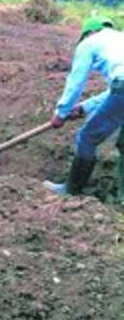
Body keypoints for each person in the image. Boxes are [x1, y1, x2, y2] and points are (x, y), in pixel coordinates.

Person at [44, 16, 124, 198]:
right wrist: (85, 108)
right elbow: (116, 90)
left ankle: (71, 190)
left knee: (87, 137)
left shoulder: (88, 43)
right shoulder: (119, 39)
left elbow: (76, 82)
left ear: (88, 33)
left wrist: (61, 112)